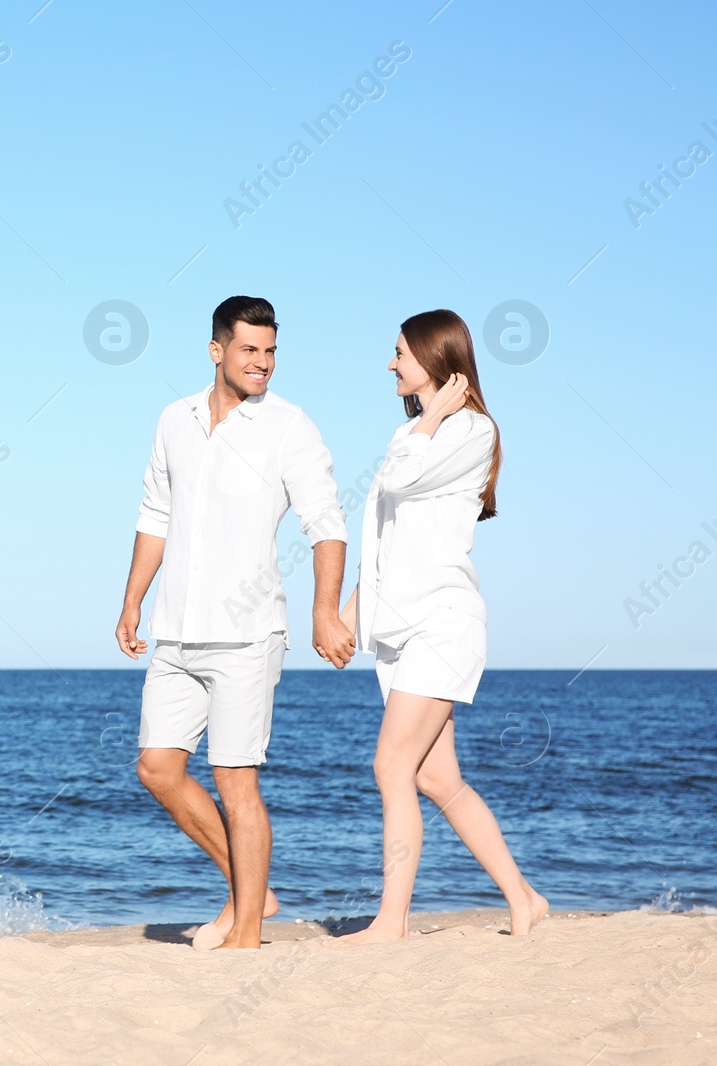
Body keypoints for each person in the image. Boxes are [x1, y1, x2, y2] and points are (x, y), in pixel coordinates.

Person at [117, 295, 354, 951]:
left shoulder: (289, 427)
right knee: (158, 768)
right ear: (217, 350)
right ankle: (252, 890)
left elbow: (327, 525)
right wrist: (134, 599)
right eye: (250, 350)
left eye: (271, 351)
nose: (263, 363)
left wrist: (325, 610)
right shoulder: (175, 419)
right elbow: (155, 515)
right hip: (177, 630)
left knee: (234, 781)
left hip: (248, 634)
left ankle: (247, 934)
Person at [332, 309, 547, 945]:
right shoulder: (424, 435)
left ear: (435, 358)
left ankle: (391, 923)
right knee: (435, 777)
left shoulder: (471, 431)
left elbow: (399, 475)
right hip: (402, 627)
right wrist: (349, 614)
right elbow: (387, 539)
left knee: (391, 767)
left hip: (441, 622)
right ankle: (525, 897)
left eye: (400, 352)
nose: (391, 363)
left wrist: (427, 419)